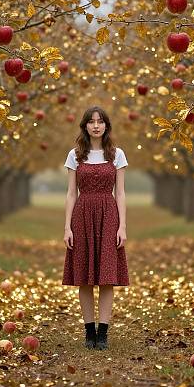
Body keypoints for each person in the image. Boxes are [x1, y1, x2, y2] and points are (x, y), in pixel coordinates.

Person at [62, 106, 129, 350]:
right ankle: (89, 332)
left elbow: (120, 193)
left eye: (100, 121)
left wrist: (122, 226)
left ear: (106, 126)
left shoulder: (117, 154)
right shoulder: (75, 154)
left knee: (107, 277)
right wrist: (67, 228)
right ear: (85, 126)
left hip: (109, 215)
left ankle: (103, 333)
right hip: (82, 215)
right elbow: (71, 193)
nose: (96, 125)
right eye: (91, 122)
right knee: (85, 277)